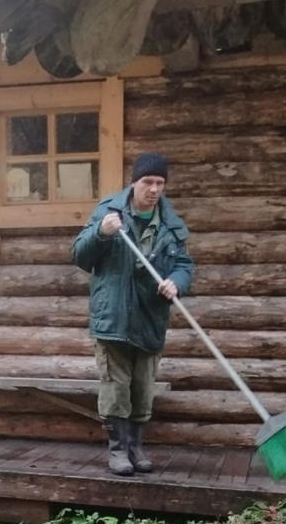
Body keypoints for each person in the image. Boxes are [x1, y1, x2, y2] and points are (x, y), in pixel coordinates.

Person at [71, 152, 194, 476]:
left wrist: (176, 283)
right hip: (113, 315)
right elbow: (80, 256)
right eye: (147, 182)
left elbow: (184, 265)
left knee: (143, 387)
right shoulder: (108, 212)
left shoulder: (171, 224)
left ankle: (137, 448)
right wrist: (102, 232)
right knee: (116, 387)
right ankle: (118, 451)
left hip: (150, 316)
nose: (153, 189)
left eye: (159, 183)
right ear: (134, 182)